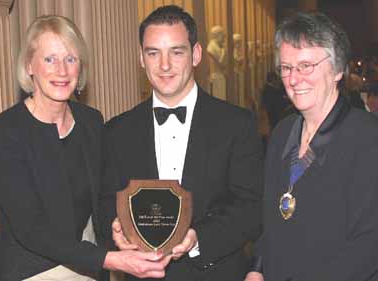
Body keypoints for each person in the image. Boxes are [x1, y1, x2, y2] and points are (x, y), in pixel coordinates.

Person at [0, 15, 170, 281]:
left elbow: (105, 197)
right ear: (29, 66)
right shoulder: (2, 133)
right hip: (30, 268)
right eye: (50, 59)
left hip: (88, 261)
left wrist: (118, 231)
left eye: (70, 59)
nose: (62, 70)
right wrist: (110, 259)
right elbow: (30, 229)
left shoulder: (90, 121)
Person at [99, 5, 264, 281]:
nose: (164, 65)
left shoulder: (237, 124)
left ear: (196, 54)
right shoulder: (117, 131)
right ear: (141, 58)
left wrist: (197, 240)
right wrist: (116, 228)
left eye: (176, 52)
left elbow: (252, 207)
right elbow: (105, 201)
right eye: (154, 53)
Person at [245, 12, 378, 281]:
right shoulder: (282, 132)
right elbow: (269, 221)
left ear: (338, 69)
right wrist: (256, 269)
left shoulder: (368, 137)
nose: (294, 79)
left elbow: (368, 247)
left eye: (306, 66)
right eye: (286, 67)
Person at [207, 25, 227, 100]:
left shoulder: (218, 47)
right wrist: (224, 52)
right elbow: (221, 63)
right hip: (216, 76)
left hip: (220, 76)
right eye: (222, 34)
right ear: (216, 35)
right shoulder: (211, 47)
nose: (224, 37)